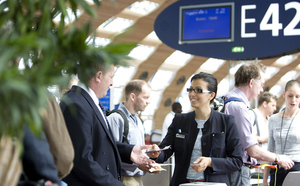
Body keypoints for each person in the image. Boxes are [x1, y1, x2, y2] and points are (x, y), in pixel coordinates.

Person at [59, 63, 156, 186]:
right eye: (111, 77)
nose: (112, 83)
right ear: (99, 76)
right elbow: (81, 160)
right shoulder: (77, 104)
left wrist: (129, 151)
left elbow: (99, 143)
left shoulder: (88, 102)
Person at [147, 72, 243, 186]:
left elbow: (236, 161)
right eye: (191, 89)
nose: (192, 94)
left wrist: (210, 162)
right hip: (182, 183)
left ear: (211, 95)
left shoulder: (226, 122)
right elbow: (166, 150)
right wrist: (156, 153)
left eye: (198, 90)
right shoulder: (180, 120)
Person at [223, 62, 294, 186]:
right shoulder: (240, 108)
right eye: (261, 85)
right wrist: (279, 158)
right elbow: (253, 151)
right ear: (251, 83)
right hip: (236, 172)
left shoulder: (226, 100)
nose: (261, 90)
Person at [107, 79, 151, 186]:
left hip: (138, 178)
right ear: (132, 97)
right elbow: (111, 155)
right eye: (145, 97)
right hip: (124, 179)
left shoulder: (139, 121)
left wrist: (149, 161)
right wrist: (137, 165)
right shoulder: (115, 119)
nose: (148, 101)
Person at [263, 80, 300, 186]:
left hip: (297, 168)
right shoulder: (273, 120)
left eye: (297, 96)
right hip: (277, 168)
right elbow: (270, 149)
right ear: (284, 94)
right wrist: (265, 180)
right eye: (290, 96)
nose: (293, 100)